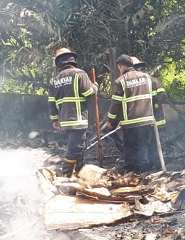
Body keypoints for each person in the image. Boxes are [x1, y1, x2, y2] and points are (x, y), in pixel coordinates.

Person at [105, 54, 161, 173]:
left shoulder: (121, 81)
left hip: (130, 122)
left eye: (119, 68)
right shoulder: (147, 78)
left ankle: (130, 170)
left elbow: (115, 104)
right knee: (143, 144)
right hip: (147, 120)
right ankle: (144, 170)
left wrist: (111, 121)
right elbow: (156, 97)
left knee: (129, 146)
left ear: (122, 66)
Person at [48, 47, 98, 177]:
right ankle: (66, 174)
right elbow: (88, 92)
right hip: (77, 118)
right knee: (76, 148)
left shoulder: (54, 80)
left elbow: (52, 102)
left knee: (79, 145)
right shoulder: (79, 73)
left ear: (58, 62)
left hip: (64, 119)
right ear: (72, 59)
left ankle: (78, 171)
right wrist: (95, 87)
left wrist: (55, 120)